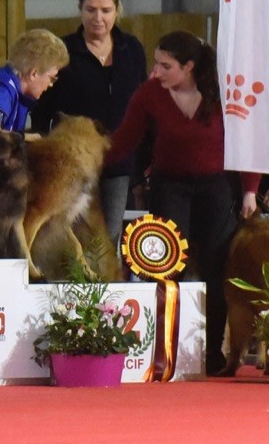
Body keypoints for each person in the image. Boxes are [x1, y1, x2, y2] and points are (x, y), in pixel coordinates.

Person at [105, 30, 261, 375]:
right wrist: (85, 163)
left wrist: (250, 189)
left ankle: (213, 353)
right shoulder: (149, 94)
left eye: (165, 66)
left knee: (216, 267)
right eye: (156, 64)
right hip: (169, 184)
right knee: (164, 265)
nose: (156, 72)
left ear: (189, 66)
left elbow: (247, 137)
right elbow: (124, 140)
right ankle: (164, 349)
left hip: (217, 186)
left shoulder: (223, 91)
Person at [31, 0, 149, 244]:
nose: (98, 17)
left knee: (110, 236)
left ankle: (105, 285)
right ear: (80, 11)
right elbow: (42, 108)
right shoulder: (63, 51)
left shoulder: (132, 49)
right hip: (71, 160)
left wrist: (143, 162)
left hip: (118, 160)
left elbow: (143, 105)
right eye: (91, 10)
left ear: (117, 11)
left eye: (106, 10)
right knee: (68, 230)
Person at [0, 28, 68, 138]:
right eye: (52, 78)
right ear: (34, 73)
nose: (51, 84)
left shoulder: (14, 91)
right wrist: (25, 138)